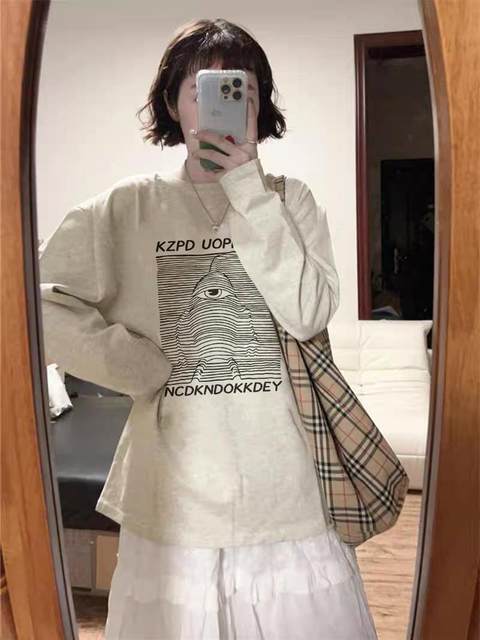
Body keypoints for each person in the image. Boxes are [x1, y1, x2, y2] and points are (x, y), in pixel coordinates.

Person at [39, 16, 378, 640]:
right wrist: (136, 367)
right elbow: (38, 304)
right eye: (203, 88)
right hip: (173, 493)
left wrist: (248, 189)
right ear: (173, 103)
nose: (222, 104)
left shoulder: (291, 200)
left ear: (258, 104)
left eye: (238, 89)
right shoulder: (125, 207)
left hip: (285, 491)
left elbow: (307, 313)